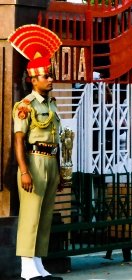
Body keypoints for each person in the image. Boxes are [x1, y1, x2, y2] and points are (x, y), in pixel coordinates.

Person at [9, 24, 64, 280]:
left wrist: (61, 169)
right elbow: (19, 140)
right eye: (46, 76)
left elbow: (57, 139)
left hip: (51, 160)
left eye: (50, 75)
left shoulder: (51, 104)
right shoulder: (25, 106)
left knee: (45, 216)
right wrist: (24, 171)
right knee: (31, 214)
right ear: (34, 79)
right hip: (33, 161)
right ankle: (26, 267)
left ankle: (39, 264)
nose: (51, 79)